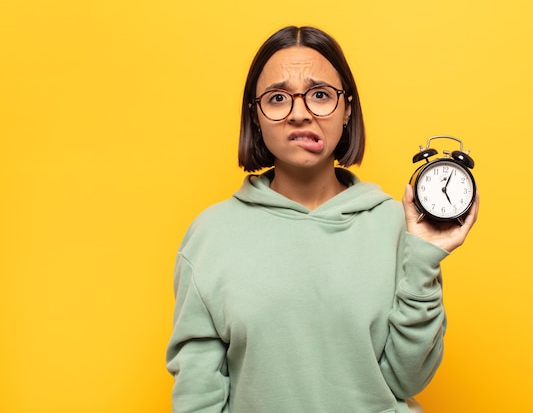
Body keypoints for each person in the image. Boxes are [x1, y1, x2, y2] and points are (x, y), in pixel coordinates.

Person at [166, 25, 478, 413]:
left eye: (320, 95)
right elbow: (198, 393)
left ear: (347, 108)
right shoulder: (211, 234)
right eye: (278, 98)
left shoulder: (398, 226)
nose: (300, 114)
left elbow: (408, 378)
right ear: (256, 117)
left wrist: (424, 257)